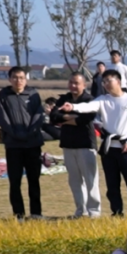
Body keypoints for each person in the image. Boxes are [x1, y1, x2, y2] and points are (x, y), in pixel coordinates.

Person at [59, 69, 127, 215]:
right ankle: (116, 213)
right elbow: (88, 106)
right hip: (109, 148)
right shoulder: (103, 100)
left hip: (126, 147)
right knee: (112, 185)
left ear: (118, 81)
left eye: (109, 81)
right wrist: (73, 107)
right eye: (104, 82)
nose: (106, 84)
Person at [0, 66, 45, 219]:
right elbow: (2, 118)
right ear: (10, 79)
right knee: (15, 181)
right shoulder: (4, 95)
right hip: (13, 145)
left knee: (34, 180)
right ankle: (19, 214)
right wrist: (15, 134)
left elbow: (39, 116)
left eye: (21, 78)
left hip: (33, 144)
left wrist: (29, 133)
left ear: (26, 79)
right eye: (15, 78)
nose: (19, 81)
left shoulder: (33, 94)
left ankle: (36, 213)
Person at [51, 72, 101, 218]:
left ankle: (94, 211)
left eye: (76, 83)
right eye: (71, 82)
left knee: (90, 180)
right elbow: (54, 117)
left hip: (85, 144)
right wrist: (72, 117)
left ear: (84, 85)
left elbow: (86, 118)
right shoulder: (64, 99)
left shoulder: (89, 100)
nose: (73, 86)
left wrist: (64, 119)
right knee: (74, 180)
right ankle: (80, 210)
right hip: (68, 144)